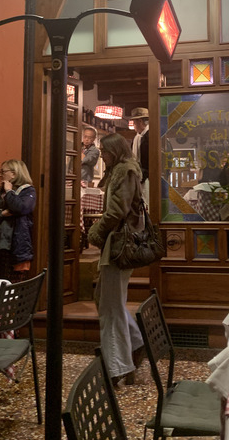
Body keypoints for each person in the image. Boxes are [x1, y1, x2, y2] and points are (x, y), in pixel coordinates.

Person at [87, 133, 145, 386]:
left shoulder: (125, 171)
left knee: (110, 306)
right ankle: (136, 344)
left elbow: (117, 210)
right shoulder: (122, 170)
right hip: (117, 243)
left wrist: (97, 231)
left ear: (116, 150)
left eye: (105, 150)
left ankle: (117, 366)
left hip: (119, 245)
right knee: (107, 300)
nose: (102, 155)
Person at [0, 159, 36, 282]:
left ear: (14, 174)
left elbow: (20, 208)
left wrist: (9, 191)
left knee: (12, 286)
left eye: (2, 171)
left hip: (15, 247)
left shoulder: (28, 191)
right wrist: (2, 213)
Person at [130, 107, 150, 206]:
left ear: (140, 121)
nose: (133, 125)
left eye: (134, 122)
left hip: (148, 178)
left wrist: (143, 174)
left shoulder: (150, 136)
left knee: (147, 203)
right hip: (139, 177)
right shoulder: (137, 137)